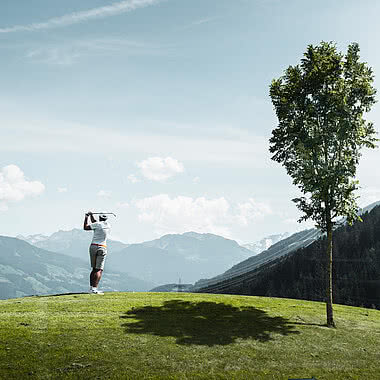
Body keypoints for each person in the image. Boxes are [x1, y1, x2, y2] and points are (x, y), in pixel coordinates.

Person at [83, 211, 111, 294]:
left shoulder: (97, 224)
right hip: (102, 247)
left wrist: (86, 217)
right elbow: (95, 223)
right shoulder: (108, 225)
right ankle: (94, 289)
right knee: (99, 270)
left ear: (99, 218)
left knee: (94, 269)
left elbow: (86, 227)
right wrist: (91, 216)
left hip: (93, 246)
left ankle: (91, 288)